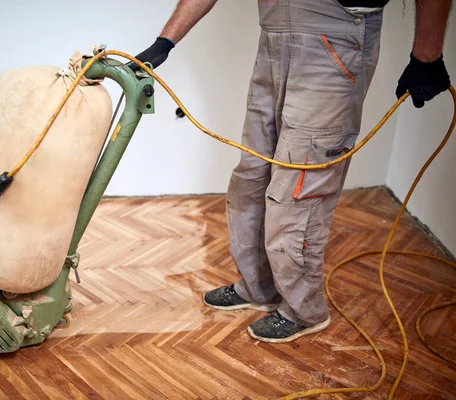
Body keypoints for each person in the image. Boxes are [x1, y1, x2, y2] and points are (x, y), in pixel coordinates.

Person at [128, 0, 452, 343]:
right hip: (274, 36)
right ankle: (259, 286)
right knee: (253, 174)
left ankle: (304, 308)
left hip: (335, 41)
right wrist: (165, 42)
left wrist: (426, 55)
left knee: (300, 185)